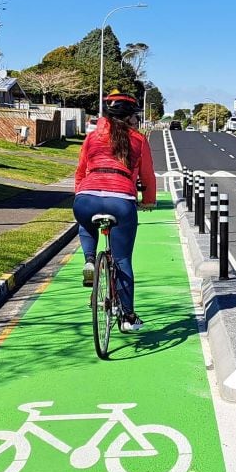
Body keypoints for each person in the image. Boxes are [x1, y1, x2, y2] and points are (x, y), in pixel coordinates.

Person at [74, 93, 157, 334]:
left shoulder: (91, 138)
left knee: (85, 223)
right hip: (121, 201)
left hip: (86, 197)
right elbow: (148, 176)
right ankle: (128, 317)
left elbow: (80, 172)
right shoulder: (138, 140)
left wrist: (80, 195)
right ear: (130, 118)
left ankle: (89, 260)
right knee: (122, 260)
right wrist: (148, 201)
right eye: (135, 117)